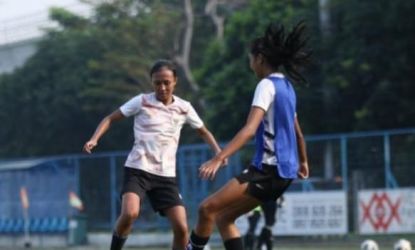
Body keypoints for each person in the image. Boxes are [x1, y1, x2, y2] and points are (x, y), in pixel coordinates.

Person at [186, 21, 311, 250]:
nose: (251, 64)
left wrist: (218, 157)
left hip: (267, 170)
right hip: (284, 173)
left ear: (260, 58)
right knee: (224, 219)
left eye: (251, 59)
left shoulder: (266, 85)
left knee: (206, 209)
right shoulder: (288, 88)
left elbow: (250, 129)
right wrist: (303, 161)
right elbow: (298, 133)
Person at [83, 59, 224, 250]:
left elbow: (203, 131)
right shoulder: (141, 101)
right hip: (137, 170)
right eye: (158, 83)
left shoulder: (184, 108)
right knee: (130, 213)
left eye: (167, 82)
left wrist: (218, 153)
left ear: (175, 81)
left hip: (165, 176)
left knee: (182, 228)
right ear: (152, 82)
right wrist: (94, 138)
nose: (162, 87)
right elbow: (110, 118)